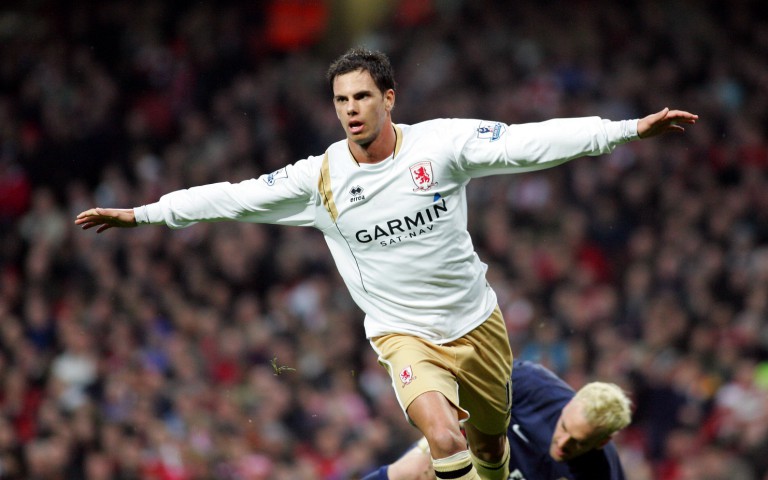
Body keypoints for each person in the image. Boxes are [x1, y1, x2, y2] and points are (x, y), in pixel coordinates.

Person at [75, 47, 697, 480]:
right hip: (403, 334)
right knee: (441, 439)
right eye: (341, 99)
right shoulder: (319, 178)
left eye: (362, 97)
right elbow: (232, 197)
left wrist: (626, 130)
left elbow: (527, 143)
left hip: (476, 324)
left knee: (486, 454)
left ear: (389, 98)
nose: (350, 109)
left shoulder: (442, 145)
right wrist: (144, 214)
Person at [362, 360, 632, 480]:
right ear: (570, 403)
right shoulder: (531, 384)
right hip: (486, 458)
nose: (563, 443)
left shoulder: (600, 473)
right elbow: (466, 393)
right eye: (563, 428)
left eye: (578, 442)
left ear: (602, 441)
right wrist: (427, 447)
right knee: (413, 471)